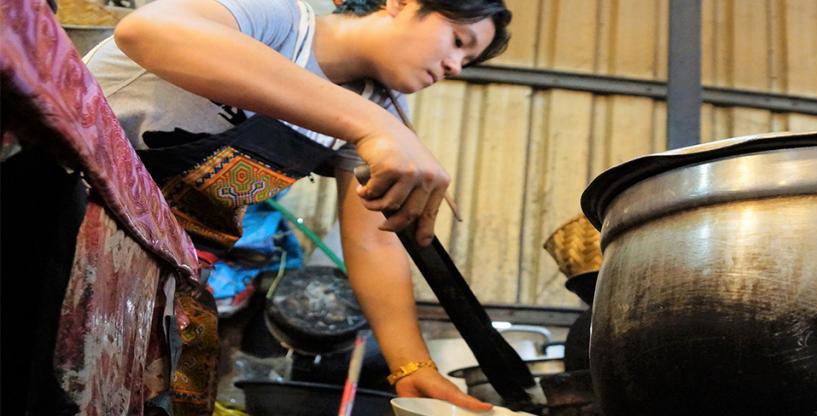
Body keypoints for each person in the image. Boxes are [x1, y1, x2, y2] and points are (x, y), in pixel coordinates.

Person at [84, 0, 510, 413]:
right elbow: (147, 31)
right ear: (400, 3)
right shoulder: (282, 19)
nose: (456, 66)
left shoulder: (377, 104)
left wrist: (411, 366)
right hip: (61, 202)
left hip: (149, 270)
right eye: (458, 40)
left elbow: (373, 244)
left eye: (467, 61)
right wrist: (371, 124)